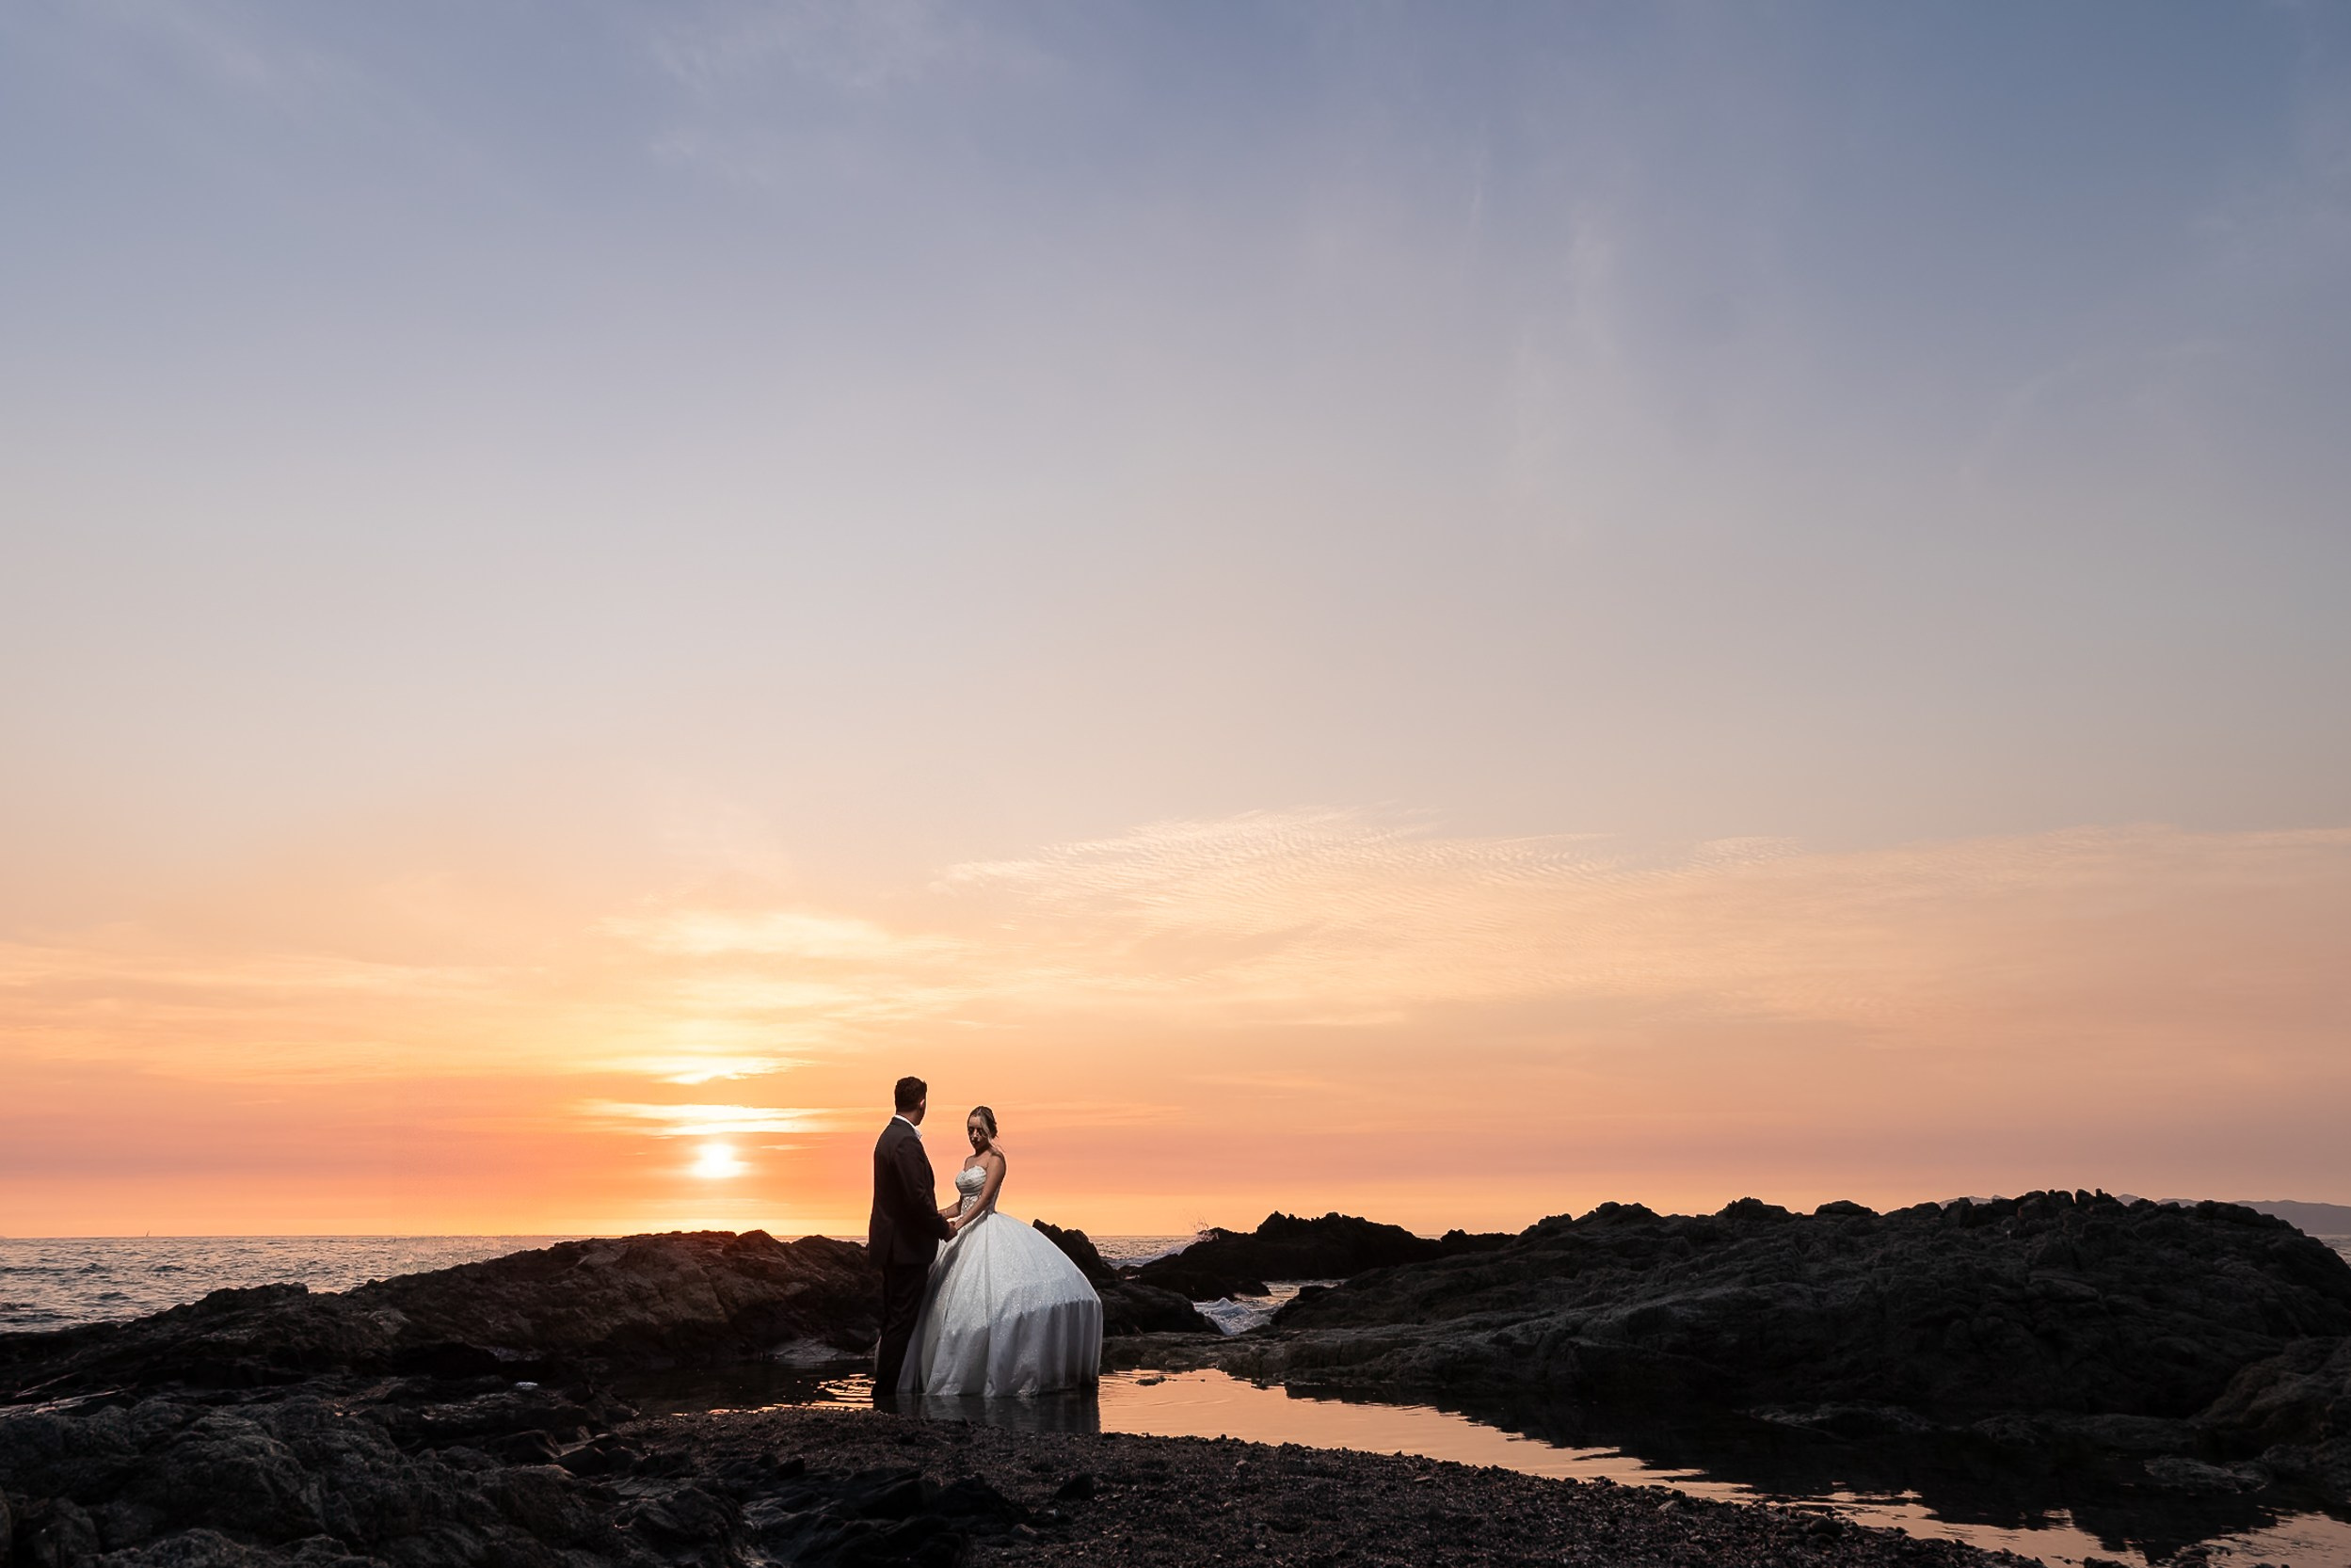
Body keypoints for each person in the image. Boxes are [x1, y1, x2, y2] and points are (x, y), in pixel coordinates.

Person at [898, 1104, 1103, 1397]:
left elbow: (983, 1201)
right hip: (963, 1227)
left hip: (983, 1226)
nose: (974, 1134)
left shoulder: (997, 1159)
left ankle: (985, 1370)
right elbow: (961, 1202)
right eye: (970, 1129)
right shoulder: (968, 1160)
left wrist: (960, 1224)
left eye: (979, 1129)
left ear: (991, 1130)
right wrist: (936, 1214)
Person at [868, 1075, 952, 1398]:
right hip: (905, 1249)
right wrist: (943, 1228)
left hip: (891, 1245)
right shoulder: (904, 1141)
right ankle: (885, 1394)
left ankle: (884, 1390)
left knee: (893, 1320)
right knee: (901, 1323)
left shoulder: (887, 1137)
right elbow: (916, 1199)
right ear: (922, 1102)